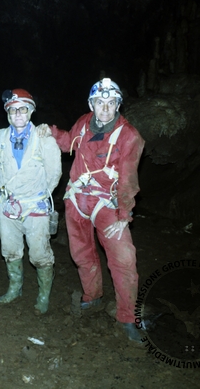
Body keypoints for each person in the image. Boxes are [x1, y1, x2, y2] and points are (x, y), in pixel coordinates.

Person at [42, 78, 145, 341]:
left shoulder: (129, 136)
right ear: (92, 104)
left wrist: (124, 215)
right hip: (77, 200)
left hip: (107, 204)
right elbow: (69, 142)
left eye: (111, 103)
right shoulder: (84, 122)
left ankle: (127, 317)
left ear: (118, 105)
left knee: (123, 259)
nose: (105, 108)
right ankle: (92, 295)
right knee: (82, 254)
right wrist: (51, 132)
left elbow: (128, 179)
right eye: (100, 102)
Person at [0, 89, 62, 315]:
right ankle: (14, 289)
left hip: (35, 205)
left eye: (23, 109)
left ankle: (43, 295)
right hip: (9, 204)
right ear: (7, 113)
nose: (18, 114)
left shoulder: (44, 139)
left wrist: (38, 195)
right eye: (13, 110)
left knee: (40, 255)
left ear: (31, 111)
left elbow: (54, 173)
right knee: (10, 250)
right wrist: (9, 190)